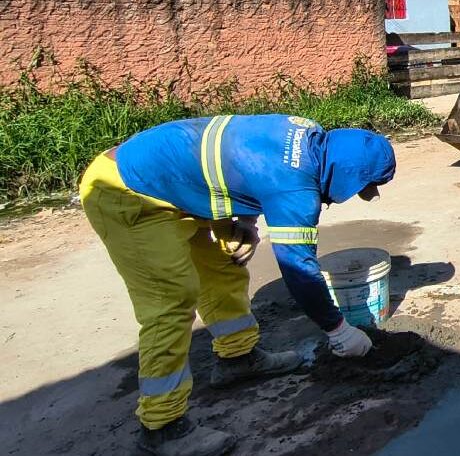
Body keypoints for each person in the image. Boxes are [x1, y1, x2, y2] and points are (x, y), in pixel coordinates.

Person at [78, 114, 396, 456]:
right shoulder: (296, 188)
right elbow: (298, 270)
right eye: (362, 188)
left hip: (178, 183)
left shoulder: (309, 134)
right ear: (346, 174)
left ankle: (237, 359)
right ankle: (162, 426)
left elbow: (246, 160)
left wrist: (244, 219)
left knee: (223, 268)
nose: (356, 196)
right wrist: (338, 331)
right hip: (128, 190)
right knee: (170, 300)